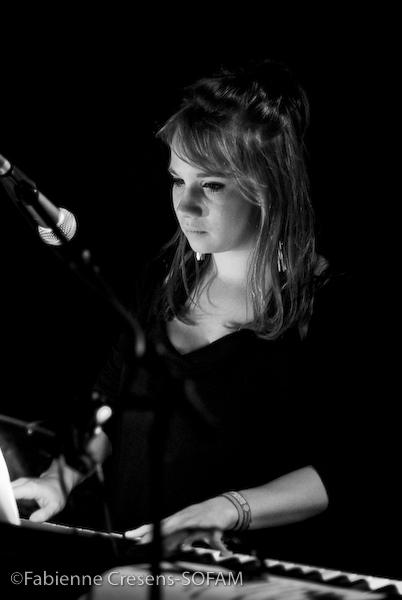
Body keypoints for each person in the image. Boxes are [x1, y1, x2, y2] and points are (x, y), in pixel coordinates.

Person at [12, 58, 356, 564]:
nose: (185, 204)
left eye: (212, 185)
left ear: (269, 185)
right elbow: (111, 410)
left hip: (244, 579)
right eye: (178, 180)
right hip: (134, 568)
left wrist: (223, 510)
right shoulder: (161, 282)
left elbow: (346, 470)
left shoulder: (329, 304)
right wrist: (58, 478)